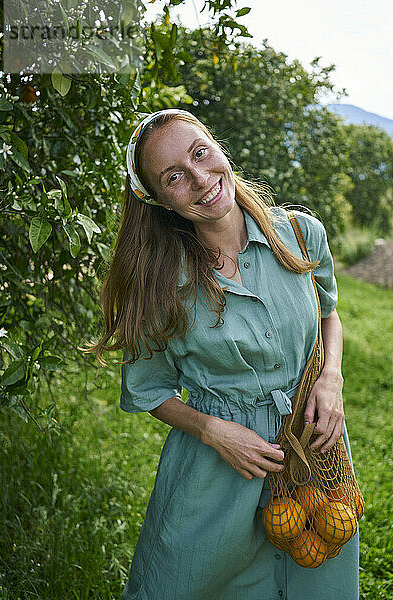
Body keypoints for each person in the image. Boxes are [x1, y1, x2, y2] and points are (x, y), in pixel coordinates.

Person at [90, 108, 359, 599]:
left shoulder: (298, 235)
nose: (200, 178)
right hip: (219, 468)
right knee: (187, 582)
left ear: (218, 147)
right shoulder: (156, 285)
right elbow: (148, 390)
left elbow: (328, 314)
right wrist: (214, 430)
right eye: (174, 177)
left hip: (314, 454)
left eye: (201, 153)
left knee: (318, 577)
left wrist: (331, 378)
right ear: (158, 200)